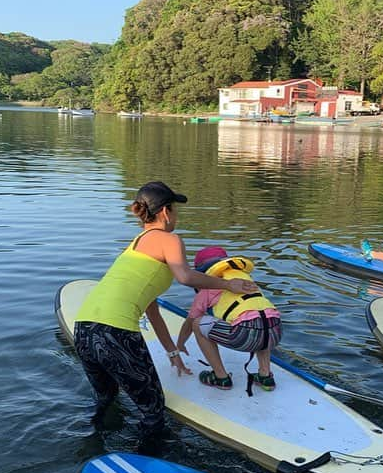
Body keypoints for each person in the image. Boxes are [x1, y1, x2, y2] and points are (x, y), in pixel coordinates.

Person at [72, 182, 258, 447]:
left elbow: (153, 311)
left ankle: (93, 449)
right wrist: (228, 284)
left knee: (106, 397)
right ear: (166, 212)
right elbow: (184, 276)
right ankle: (146, 467)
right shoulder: (170, 239)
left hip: (83, 328)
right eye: (175, 210)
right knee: (153, 410)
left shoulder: (136, 244)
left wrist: (173, 353)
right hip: (115, 332)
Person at [176, 246, 282, 391]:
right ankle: (265, 376)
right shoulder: (245, 279)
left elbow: (189, 323)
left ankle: (221, 378)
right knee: (261, 317)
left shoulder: (207, 288)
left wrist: (180, 344)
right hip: (276, 331)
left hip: (245, 335)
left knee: (197, 324)